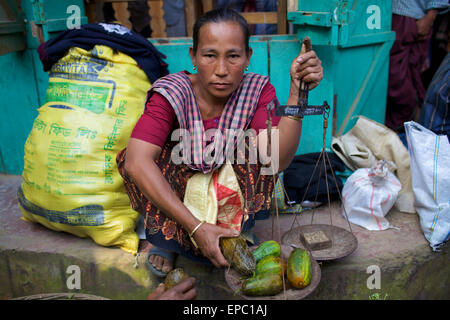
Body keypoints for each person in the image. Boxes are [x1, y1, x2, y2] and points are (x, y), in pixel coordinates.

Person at [117, 8, 323, 277]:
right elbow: (136, 161)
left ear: (248, 57)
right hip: (182, 189)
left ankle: (236, 231)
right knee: (145, 159)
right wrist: (195, 227)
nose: (222, 70)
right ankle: (168, 240)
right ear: (193, 56)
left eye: (233, 56)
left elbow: (277, 159)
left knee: (255, 153)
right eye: (210, 56)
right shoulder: (171, 93)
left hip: (225, 185)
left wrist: (297, 94)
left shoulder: (257, 91)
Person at [385, 0, 449, 132]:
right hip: (398, 14)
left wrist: (431, 15)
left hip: (412, 17)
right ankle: (400, 127)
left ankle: (401, 127)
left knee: (401, 79)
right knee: (397, 77)